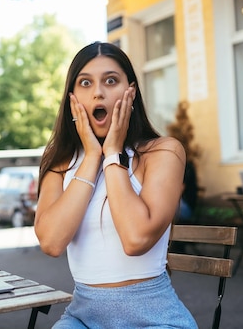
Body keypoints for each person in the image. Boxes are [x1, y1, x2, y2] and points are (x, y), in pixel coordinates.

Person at [34, 42, 197, 328]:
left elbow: (136, 240)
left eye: (111, 80)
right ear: (72, 98)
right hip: (82, 318)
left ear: (130, 92)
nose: (98, 92)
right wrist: (92, 156)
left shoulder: (162, 152)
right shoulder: (60, 162)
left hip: (156, 319)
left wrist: (112, 154)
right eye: (86, 82)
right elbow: (51, 242)